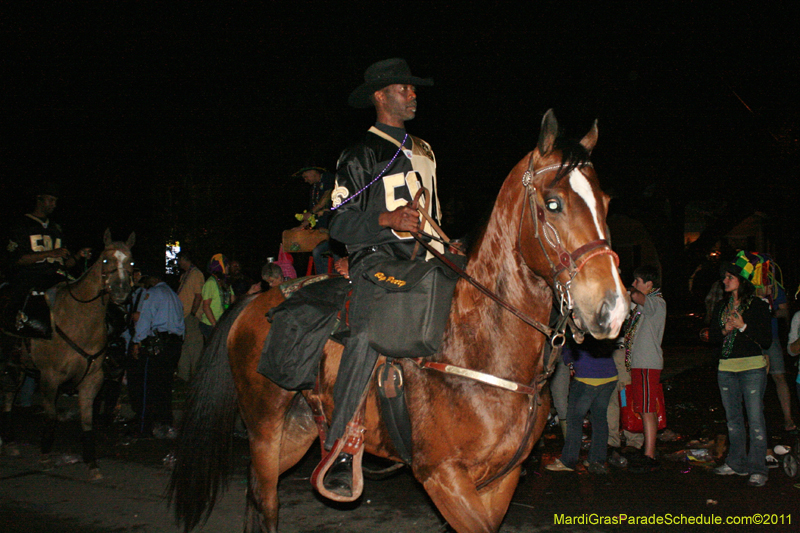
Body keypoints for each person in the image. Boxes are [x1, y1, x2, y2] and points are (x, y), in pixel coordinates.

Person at [319, 58, 439, 498]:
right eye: (403, 88)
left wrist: (448, 243)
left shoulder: (424, 150)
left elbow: (433, 213)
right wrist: (388, 219)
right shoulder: (361, 154)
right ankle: (342, 445)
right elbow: (338, 224)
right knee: (368, 331)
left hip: (428, 259)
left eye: (412, 88)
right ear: (379, 96)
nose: (412, 94)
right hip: (376, 261)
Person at [705, 251, 772, 487]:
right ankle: (737, 463)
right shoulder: (722, 305)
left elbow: (766, 340)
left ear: (741, 280)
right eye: (724, 276)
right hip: (726, 368)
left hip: (752, 367)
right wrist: (724, 330)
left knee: (754, 419)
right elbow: (712, 336)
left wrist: (743, 326)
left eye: (729, 276)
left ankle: (758, 468)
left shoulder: (757, 305)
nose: (724, 280)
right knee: (733, 419)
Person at [4, 182, 91, 334]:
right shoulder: (22, 225)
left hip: (57, 275)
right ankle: (18, 334)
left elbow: (65, 263)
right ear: (39, 200)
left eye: (55, 201)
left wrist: (78, 255)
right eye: (50, 200)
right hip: (32, 274)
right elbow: (18, 259)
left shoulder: (55, 228)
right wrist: (49, 253)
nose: (54, 204)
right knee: (25, 298)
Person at [546, 337, 618, 474]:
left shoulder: (578, 325)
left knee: (574, 420)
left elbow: (567, 350)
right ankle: (596, 459)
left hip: (587, 377)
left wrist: (569, 361)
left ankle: (568, 460)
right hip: (609, 375)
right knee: (600, 418)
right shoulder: (600, 322)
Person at [128, 273, 185, 437]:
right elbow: (181, 323)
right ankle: (164, 422)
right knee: (164, 385)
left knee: (147, 386)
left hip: (157, 344)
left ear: (152, 279)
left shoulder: (152, 294)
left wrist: (137, 341)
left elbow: (145, 318)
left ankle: (144, 427)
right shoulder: (174, 295)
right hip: (173, 344)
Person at [622, 264, 666, 472]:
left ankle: (649, 454)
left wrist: (623, 286)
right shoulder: (641, 308)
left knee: (648, 409)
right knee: (642, 408)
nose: (633, 285)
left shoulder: (656, 302)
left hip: (649, 364)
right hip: (640, 364)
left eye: (637, 282)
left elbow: (637, 297)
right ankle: (647, 451)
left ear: (649, 284)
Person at [294, 165, 339, 275]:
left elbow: (326, 198)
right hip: (322, 234)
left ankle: (337, 277)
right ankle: (323, 278)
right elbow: (311, 215)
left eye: (306, 176)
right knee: (316, 250)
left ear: (313, 172)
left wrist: (312, 212)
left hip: (336, 232)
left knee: (325, 251)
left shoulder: (328, 178)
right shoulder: (314, 189)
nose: (305, 180)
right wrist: (301, 227)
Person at [176, 250, 205, 383]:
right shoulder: (184, 275)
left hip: (190, 316)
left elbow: (198, 295)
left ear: (184, 259)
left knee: (194, 347)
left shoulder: (196, 274)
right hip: (182, 317)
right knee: (184, 347)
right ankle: (183, 376)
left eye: (179, 260)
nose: (178, 263)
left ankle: (196, 377)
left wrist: (193, 314)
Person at [198, 253, 235, 342]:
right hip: (210, 325)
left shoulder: (225, 282)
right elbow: (206, 306)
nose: (228, 268)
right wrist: (215, 326)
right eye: (226, 266)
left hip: (221, 324)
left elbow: (233, 301)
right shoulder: (210, 283)